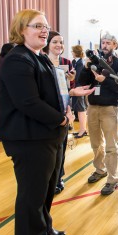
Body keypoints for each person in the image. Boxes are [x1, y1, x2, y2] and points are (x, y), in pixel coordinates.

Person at [0, 9, 94, 235]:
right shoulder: (17, 59)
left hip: (48, 134)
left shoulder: (38, 57)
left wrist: (70, 97)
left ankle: (44, 227)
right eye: (37, 26)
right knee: (32, 193)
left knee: (46, 189)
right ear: (22, 30)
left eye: (46, 25)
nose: (44, 30)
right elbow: (28, 102)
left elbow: (49, 92)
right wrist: (62, 120)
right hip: (29, 137)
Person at [78, 32, 118, 196]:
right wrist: (86, 67)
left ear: (115, 45)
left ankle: (112, 179)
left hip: (110, 109)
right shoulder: (94, 62)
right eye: (103, 43)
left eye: (108, 43)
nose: (105, 46)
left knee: (111, 146)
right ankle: (100, 170)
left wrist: (104, 80)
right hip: (92, 107)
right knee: (95, 143)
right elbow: (82, 82)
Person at [43, 30, 76, 195]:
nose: (59, 45)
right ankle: (47, 179)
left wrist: (70, 80)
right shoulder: (41, 61)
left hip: (64, 109)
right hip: (47, 110)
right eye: (55, 42)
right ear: (47, 44)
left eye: (61, 42)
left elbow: (69, 89)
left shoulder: (66, 62)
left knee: (62, 147)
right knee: (48, 150)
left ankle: (58, 177)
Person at [71, 45, 88, 138]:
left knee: (81, 109)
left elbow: (78, 78)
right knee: (79, 109)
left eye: (72, 51)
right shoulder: (75, 62)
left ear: (75, 52)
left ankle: (83, 130)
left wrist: (71, 76)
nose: (71, 52)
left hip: (79, 88)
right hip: (76, 87)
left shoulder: (80, 63)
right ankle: (81, 129)